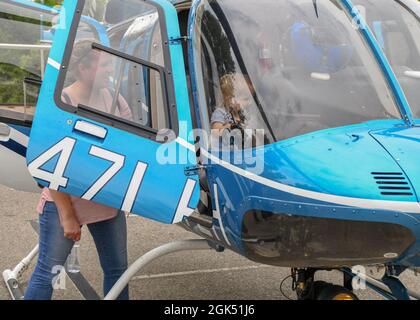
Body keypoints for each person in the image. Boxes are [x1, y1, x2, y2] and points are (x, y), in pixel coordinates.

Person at [24, 40, 132, 300]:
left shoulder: (113, 98)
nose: (110, 70)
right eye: (104, 65)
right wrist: (67, 215)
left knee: (118, 271)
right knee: (47, 272)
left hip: (106, 202)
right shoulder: (62, 101)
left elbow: (130, 147)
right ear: (83, 69)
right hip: (65, 200)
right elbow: (50, 164)